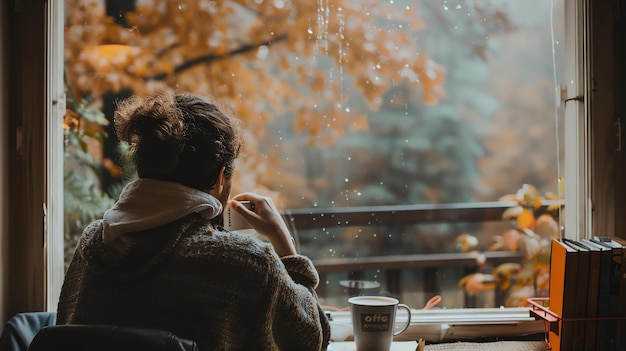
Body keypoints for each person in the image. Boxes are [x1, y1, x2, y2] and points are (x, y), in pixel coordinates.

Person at [56, 91, 331, 351]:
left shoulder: (93, 243)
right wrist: (285, 246)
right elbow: (310, 339)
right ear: (221, 177)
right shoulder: (249, 263)